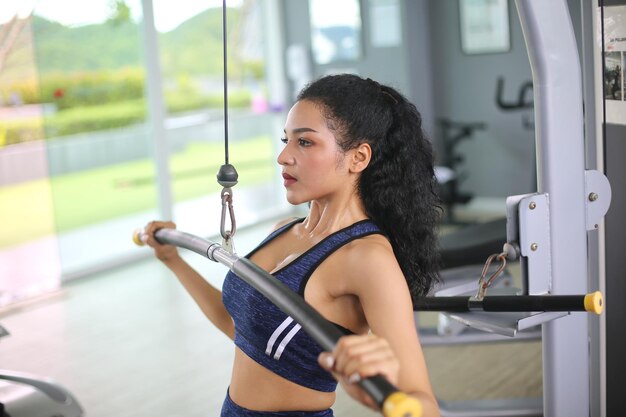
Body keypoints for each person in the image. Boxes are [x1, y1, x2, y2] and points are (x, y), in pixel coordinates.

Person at [142, 74, 441, 417]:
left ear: (358, 158)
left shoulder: (366, 257)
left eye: (305, 142)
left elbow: (423, 404)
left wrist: (378, 395)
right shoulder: (284, 230)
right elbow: (239, 326)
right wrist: (174, 260)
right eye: (286, 140)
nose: (283, 156)